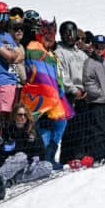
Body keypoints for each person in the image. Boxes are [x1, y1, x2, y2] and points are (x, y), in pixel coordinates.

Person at [21, 17, 74, 167]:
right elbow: (39, 74)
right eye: (47, 35)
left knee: (60, 123)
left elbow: (56, 75)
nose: (50, 38)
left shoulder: (50, 53)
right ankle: (42, 159)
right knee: (42, 127)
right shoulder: (34, 47)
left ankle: (50, 157)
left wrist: (59, 92)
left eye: (52, 35)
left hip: (54, 97)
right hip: (39, 97)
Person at [0, 2, 24, 124]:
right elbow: (10, 56)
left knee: (15, 122)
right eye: (0, 17)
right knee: (4, 123)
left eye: (6, 17)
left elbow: (20, 55)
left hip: (13, 81)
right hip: (1, 83)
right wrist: (12, 55)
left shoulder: (6, 35)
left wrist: (13, 56)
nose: (3, 21)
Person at [82, 34, 105, 162]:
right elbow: (88, 81)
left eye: (103, 47)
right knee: (97, 130)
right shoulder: (89, 62)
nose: (100, 49)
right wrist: (98, 93)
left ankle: (104, 155)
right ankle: (97, 157)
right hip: (96, 102)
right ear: (93, 46)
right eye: (97, 46)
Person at [0, 102, 52, 185]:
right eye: (20, 114)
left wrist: (35, 158)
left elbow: (41, 151)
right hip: (11, 163)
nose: (23, 117)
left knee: (48, 166)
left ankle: (14, 180)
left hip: (27, 165)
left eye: (25, 115)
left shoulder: (32, 130)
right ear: (15, 115)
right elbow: (1, 152)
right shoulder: (7, 130)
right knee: (21, 156)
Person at [56, 20, 87, 162]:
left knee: (82, 126)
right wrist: (73, 90)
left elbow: (89, 72)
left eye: (72, 32)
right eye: (66, 33)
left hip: (84, 94)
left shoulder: (81, 54)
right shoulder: (59, 52)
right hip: (69, 95)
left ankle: (79, 155)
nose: (69, 35)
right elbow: (61, 74)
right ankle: (67, 158)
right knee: (69, 128)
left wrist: (87, 88)